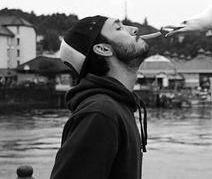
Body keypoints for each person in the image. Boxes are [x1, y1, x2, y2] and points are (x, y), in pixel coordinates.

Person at [50, 16, 150, 179]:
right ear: (103, 49)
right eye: (119, 28)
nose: (134, 29)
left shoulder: (117, 106)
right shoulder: (100, 113)